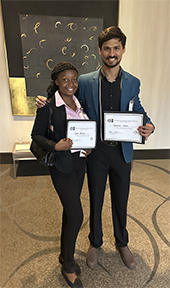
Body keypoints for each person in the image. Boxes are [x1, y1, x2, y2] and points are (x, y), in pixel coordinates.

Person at [36, 27, 154, 271]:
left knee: (121, 198)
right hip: (95, 151)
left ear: (123, 49)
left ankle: (122, 242)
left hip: (122, 150)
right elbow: (64, 95)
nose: (112, 53)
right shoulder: (87, 81)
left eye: (116, 48)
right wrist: (43, 102)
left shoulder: (133, 82)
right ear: (100, 51)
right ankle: (95, 242)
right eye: (107, 48)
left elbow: (137, 108)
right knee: (96, 198)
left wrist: (148, 123)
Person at [32, 61, 91, 288]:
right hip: (61, 165)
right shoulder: (47, 106)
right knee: (77, 215)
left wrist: (89, 146)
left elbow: (85, 131)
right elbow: (36, 135)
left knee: (70, 211)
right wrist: (55, 146)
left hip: (80, 164)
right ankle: (68, 266)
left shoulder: (79, 103)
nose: (70, 83)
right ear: (56, 81)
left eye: (74, 79)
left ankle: (63, 254)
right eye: (65, 79)